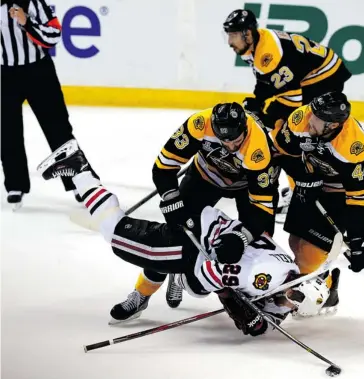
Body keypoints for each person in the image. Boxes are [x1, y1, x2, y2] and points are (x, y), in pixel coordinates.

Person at [36, 140, 331, 332]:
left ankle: (163, 278)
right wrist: (235, 306)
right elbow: (204, 274)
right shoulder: (265, 277)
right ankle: (79, 168)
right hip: (191, 244)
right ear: (294, 291)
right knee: (115, 235)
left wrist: (255, 319)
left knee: (193, 283)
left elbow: (266, 311)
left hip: (207, 234)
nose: (288, 307)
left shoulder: (287, 275)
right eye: (292, 302)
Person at [121, 102, 281, 314]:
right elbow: (163, 167)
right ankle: (143, 293)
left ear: (244, 129)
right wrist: (171, 199)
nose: (230, 146)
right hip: (206, 176)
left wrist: (241, 238)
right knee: (174, 236)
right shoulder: (198, 124)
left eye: (235, 141)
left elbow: (261, 209)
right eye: (224, 140)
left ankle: (257, 298)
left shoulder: (258, 148)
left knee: (260, 240)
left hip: (248, 188)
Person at [223, 9, 353, 217]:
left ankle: (303, 190)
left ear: (247, 34)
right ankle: (316, 185)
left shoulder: (267, 53)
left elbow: (293, 100)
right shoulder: (259, 42)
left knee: (290, 134)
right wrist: (258, 101)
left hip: (322, 77)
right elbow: (268, 81)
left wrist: (268, 116)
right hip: (317, 74)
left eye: (233, 35)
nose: (229, 41)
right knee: (290, 131)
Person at [269, 91, 364, 314]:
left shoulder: (353, 147)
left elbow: (362, 195)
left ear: (331, 125)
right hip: (311, 182)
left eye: (317, 119)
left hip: (339, 194)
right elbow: (281, 151)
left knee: (310, 254)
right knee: (295, 242)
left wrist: (360, 238)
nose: (310, 119)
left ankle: (300, 297)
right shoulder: (303, 118)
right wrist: (303, 176)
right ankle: (327, 284)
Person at [1, 0, 97, 209]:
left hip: (38, 73)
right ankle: (15, 185)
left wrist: (27, 23)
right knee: (7, 132)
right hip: (4, 76)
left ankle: (80, 182)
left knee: (58, 129)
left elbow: (53, 35)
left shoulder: (32, 2)